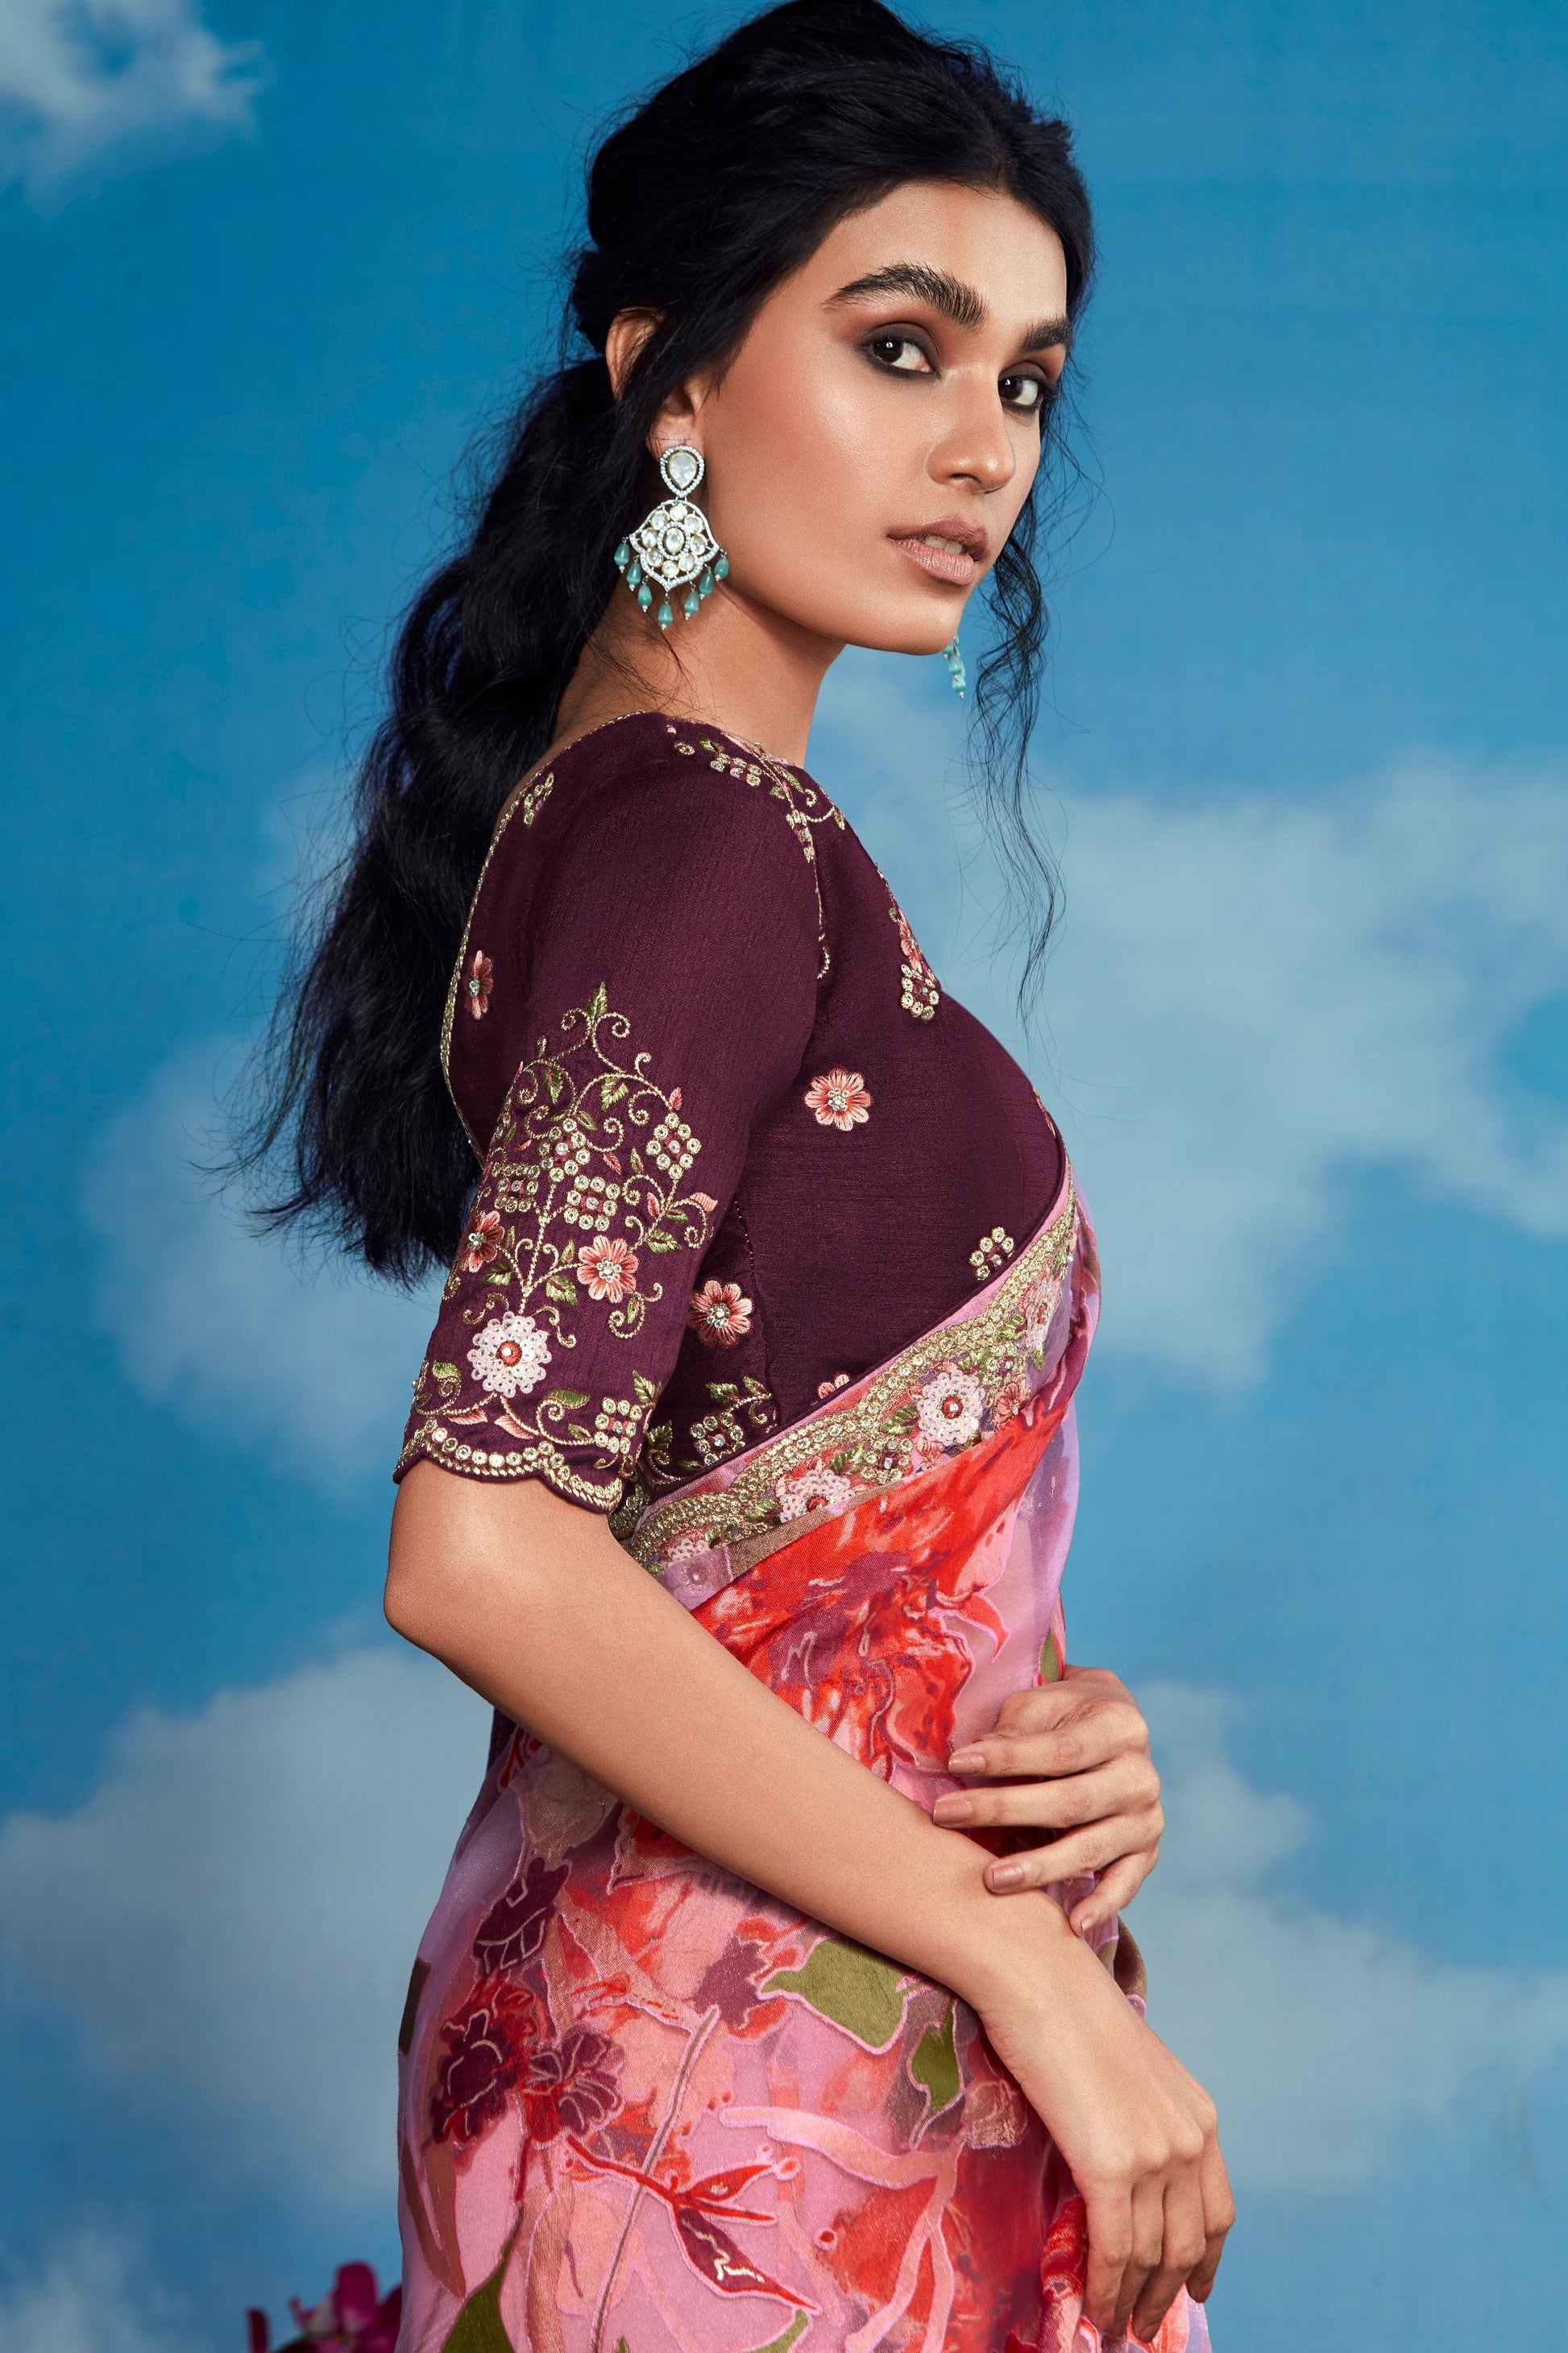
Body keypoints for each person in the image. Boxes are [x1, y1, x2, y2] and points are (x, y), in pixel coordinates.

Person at [249, 3, 1234, 2344]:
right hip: (731, 2098)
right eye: (901, 347)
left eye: (1025, 382)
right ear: (666, 376)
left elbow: (763, 1541)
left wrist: (1041, 1739)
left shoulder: (648, 830)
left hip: (779, 2021)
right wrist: (1023, 1958)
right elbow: (485, 1544)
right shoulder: (698, 842)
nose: (982, 446)